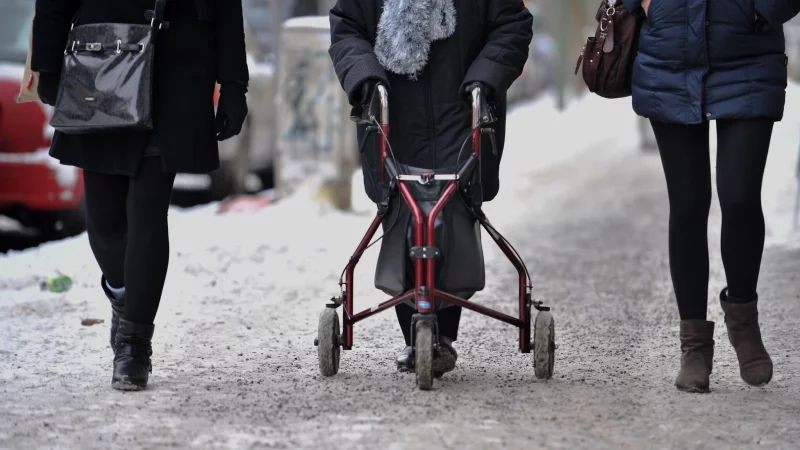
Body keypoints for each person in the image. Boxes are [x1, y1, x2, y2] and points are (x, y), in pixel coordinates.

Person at [32, 0, 249, 391]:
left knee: (148, 211)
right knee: (104, 222)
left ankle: (134, 344)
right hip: (102, 60)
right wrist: (47, 64)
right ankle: (123, 291)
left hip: (178, 69)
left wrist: (234, 83)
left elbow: (226, 5)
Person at [328, 0, 533, 374]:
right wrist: (365, 76)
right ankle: (417, 335)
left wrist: (485, 78)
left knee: (450, 211)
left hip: (462, 107)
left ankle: (440, 334)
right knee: (403, 211)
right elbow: (346, 27)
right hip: (392, 114)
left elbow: (513, 25)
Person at [622, 0, 800, 392]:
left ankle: (743, 317)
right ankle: (695, 347)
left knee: (739, 198)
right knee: (687, 203)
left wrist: (762, 8)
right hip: (670, 52)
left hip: (747, 52)